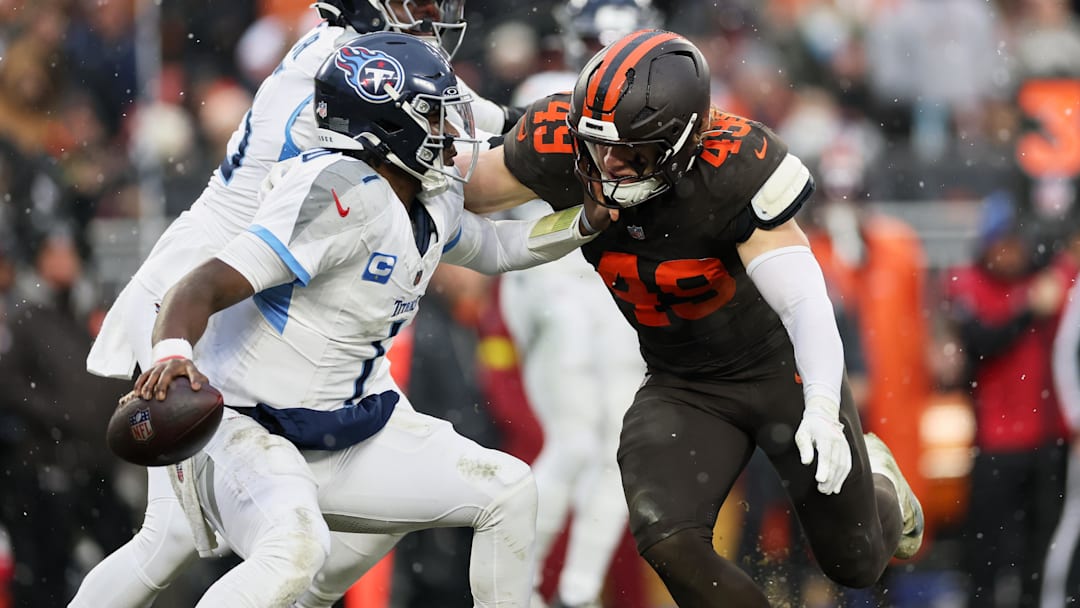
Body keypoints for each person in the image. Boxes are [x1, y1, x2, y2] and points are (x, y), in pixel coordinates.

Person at [127, 31, 613, 607]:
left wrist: (583, 224)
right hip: (250, 427)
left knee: (508, 490)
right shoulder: (333, 191)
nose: (451, 131)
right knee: (292, 549)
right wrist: (171, 354)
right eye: (434, 116)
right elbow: (203, 283)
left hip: (345, 428)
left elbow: (497, 247)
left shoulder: (428, 195)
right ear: (388, 124)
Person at [69, 1, 519, 606]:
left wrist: (541, 126)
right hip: (211, 295)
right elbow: (478, 168)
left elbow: (472, 120)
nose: (432, 12)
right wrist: (564, 136)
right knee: (175, 541)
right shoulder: (352, 63)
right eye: (416, 1)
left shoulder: (352, 54)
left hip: (250, 286)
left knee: (175, 541)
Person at [462, 29, 924, 607]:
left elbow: (805, 303)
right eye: (597, 145)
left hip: (777, 370)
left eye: (632, 151)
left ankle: (881, 483)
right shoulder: (565, 144)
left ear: (682, 142)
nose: (608, 163)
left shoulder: (736, 166)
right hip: (681, 381)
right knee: (667, 535)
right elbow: (466, 194)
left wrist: (824, 406)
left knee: (855, 562)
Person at [499, 2, 658, 606]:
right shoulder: (544, 95)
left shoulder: (657, 107)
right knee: (572, 445)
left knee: (622, 454)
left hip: (612, 289)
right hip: (554, 280)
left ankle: (577, 590)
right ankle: (519, 586)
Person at [940, 195, 1070, 608]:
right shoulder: (967, 282)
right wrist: (1027, 308)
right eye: (1002, 245)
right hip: (996, 441)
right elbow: (982, 340)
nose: (1010, 254)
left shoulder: (1049, 278)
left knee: (1040, 551)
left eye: (1016, 244)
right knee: (985, 555)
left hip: (1046, 441)